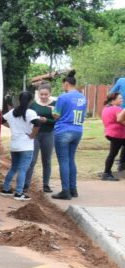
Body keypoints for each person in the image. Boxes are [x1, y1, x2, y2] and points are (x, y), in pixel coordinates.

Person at [51, 70, 88, 200]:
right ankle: (73, 189)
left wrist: (52, 111)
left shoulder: (63, 97)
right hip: (77, 130)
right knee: (71, 159)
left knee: (64, 161)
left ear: (66, 84)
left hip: (63, 130)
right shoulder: (83, 97)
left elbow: (56, 115)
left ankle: (65, 191)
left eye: (62, 85)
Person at [0, 91, 40, 201]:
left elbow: (1, 120)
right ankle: (19, 193)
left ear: (18, 100)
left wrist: (11, 127)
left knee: (13, 167)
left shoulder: (12, 112)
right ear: (30, 101)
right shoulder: (30, 112)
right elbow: (37, 123)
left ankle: (6, 189)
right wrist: (32, 134)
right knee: (23, 170)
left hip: (14, 145)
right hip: (26, 145)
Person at [24, 81, 56, 193]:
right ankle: (26, 184)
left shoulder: (55, 104)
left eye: (45, 94)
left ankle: (46, 185)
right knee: (32, 160)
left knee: (46, 161)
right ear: (38, 94)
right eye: (41, 94)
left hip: (49, 134)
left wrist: (46, 120)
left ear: (50, 93)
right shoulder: (33, 105)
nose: (43, 97)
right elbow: (28, 118)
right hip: (36, 135)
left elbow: (57, 121)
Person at [99, 91, 125, 181]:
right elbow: (121, 120)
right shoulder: (117, 109)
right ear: (113, 100)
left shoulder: (106, 108)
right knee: (112, 154)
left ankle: (121, 167)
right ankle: (106, 173)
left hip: (110, 133)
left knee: (114, 153)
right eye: (120, 98)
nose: (122, 99)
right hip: (117, 134)